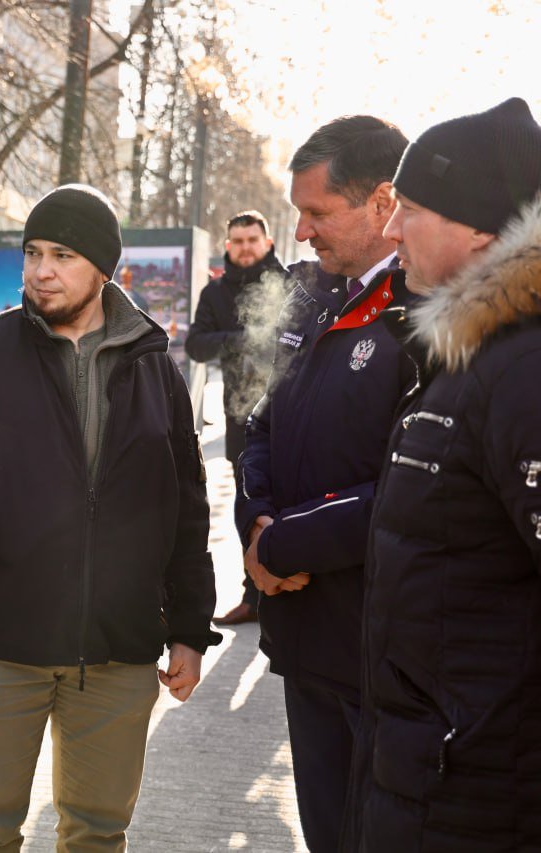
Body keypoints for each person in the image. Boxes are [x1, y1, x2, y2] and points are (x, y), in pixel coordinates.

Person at [0, 184, 219, 850]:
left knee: (97, 832)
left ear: (104, 267)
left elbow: (186, 508)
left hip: (118, 652)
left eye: (62, 254)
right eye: (32, 252)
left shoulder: (155, 369)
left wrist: (188, 628)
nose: (41, 270)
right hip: (0, 645)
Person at [344, 98, 541, 849]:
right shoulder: (467, 353)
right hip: (427, 777)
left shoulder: (522, 370)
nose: (390, 233)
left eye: (412, 210)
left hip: (483, 799)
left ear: (484, 229)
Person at [233, 116, 414, 852]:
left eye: (316, 213)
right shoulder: (315, 297)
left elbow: (412, 487)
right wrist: (257, 521)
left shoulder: (424, 314)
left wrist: (283, 545)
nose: (300, 232)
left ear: (382, 202)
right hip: (306, 643)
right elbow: (262, 425)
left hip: (380, 658)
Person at [185, 210, 287, 626]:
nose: (245, 248)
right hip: (240, 417)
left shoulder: (290, 284)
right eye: (237, 241)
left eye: (252, 239)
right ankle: (254, 595)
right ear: (228, 246)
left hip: (290, 415)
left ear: (268, 243)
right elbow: (196, 345)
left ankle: (285, 587)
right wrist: (243, 341)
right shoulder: (215, 293)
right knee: (248, 505)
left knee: (291, 502)